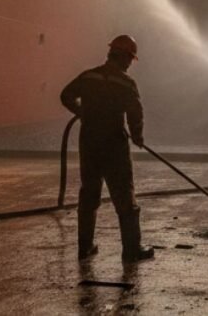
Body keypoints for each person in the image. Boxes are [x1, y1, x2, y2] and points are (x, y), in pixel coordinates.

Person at [60, 35, 155, 263]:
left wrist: (81, 112)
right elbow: (135, 113)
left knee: (89, 193)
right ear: (123, 57)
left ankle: (85, 247)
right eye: (130, 59)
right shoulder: (125, 83)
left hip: (89, 143)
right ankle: (132, 250)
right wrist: (138, 136)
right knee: (124, 196)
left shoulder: (88, 76)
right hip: (114, 145)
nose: (130, 63)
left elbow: (66, 96)